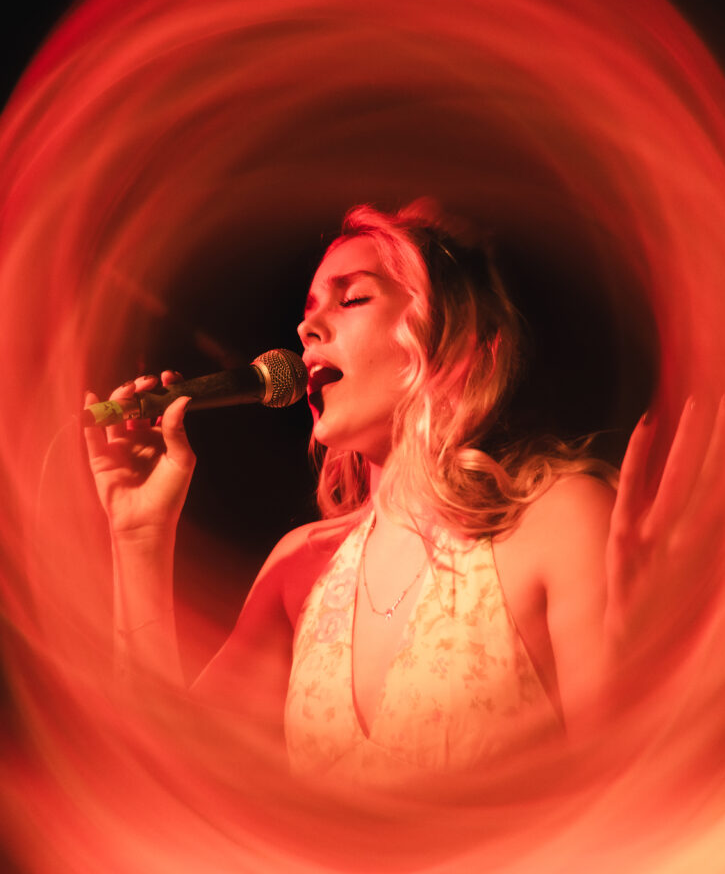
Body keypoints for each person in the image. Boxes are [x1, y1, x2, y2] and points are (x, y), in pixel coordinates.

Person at [84, 199, 663, 786]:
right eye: (308, 313)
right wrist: (140, 537)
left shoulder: (561, 522)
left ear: (445, 335)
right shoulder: (298, 567)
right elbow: (165, 783)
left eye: (353, 298)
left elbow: (627, 795)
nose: (306, 330)